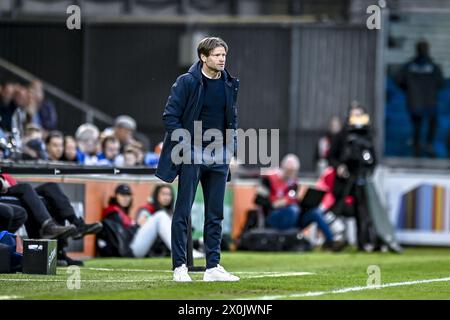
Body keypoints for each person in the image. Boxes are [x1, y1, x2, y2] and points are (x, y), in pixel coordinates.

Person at [156, 37, 239, 282]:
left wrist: (231, 147)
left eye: (224, 55)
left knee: (215, 214)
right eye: (216, 55)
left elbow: (232, 119)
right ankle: (179, 267)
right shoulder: (187, 82)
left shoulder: (229, 84)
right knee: (183, 211)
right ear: (203, 57)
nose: (222, 59)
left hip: (219, 155)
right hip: (192, 152)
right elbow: (170, 117)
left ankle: (213, 267)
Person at [254, 154, 344, 251]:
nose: (290, 174)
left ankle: (331, 242)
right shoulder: (268, 179)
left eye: (293, 171)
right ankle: (290, 238)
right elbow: (258, 200)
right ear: (282, 166)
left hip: (293, 217)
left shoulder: (293, 183)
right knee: (293, 209)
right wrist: (274, 204)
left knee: (315, 212)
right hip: (273, 217)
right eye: (289, 171)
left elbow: (294, 202)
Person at [397, 40, 444, 157]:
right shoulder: (433, 66)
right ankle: (428, 145)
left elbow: (399, 80)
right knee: (429, 123)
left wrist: (409, 90)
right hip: (429, 101)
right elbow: (440, 83)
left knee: (418, 124)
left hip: (415, 101)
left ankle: (418, 146)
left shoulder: (409, 66)